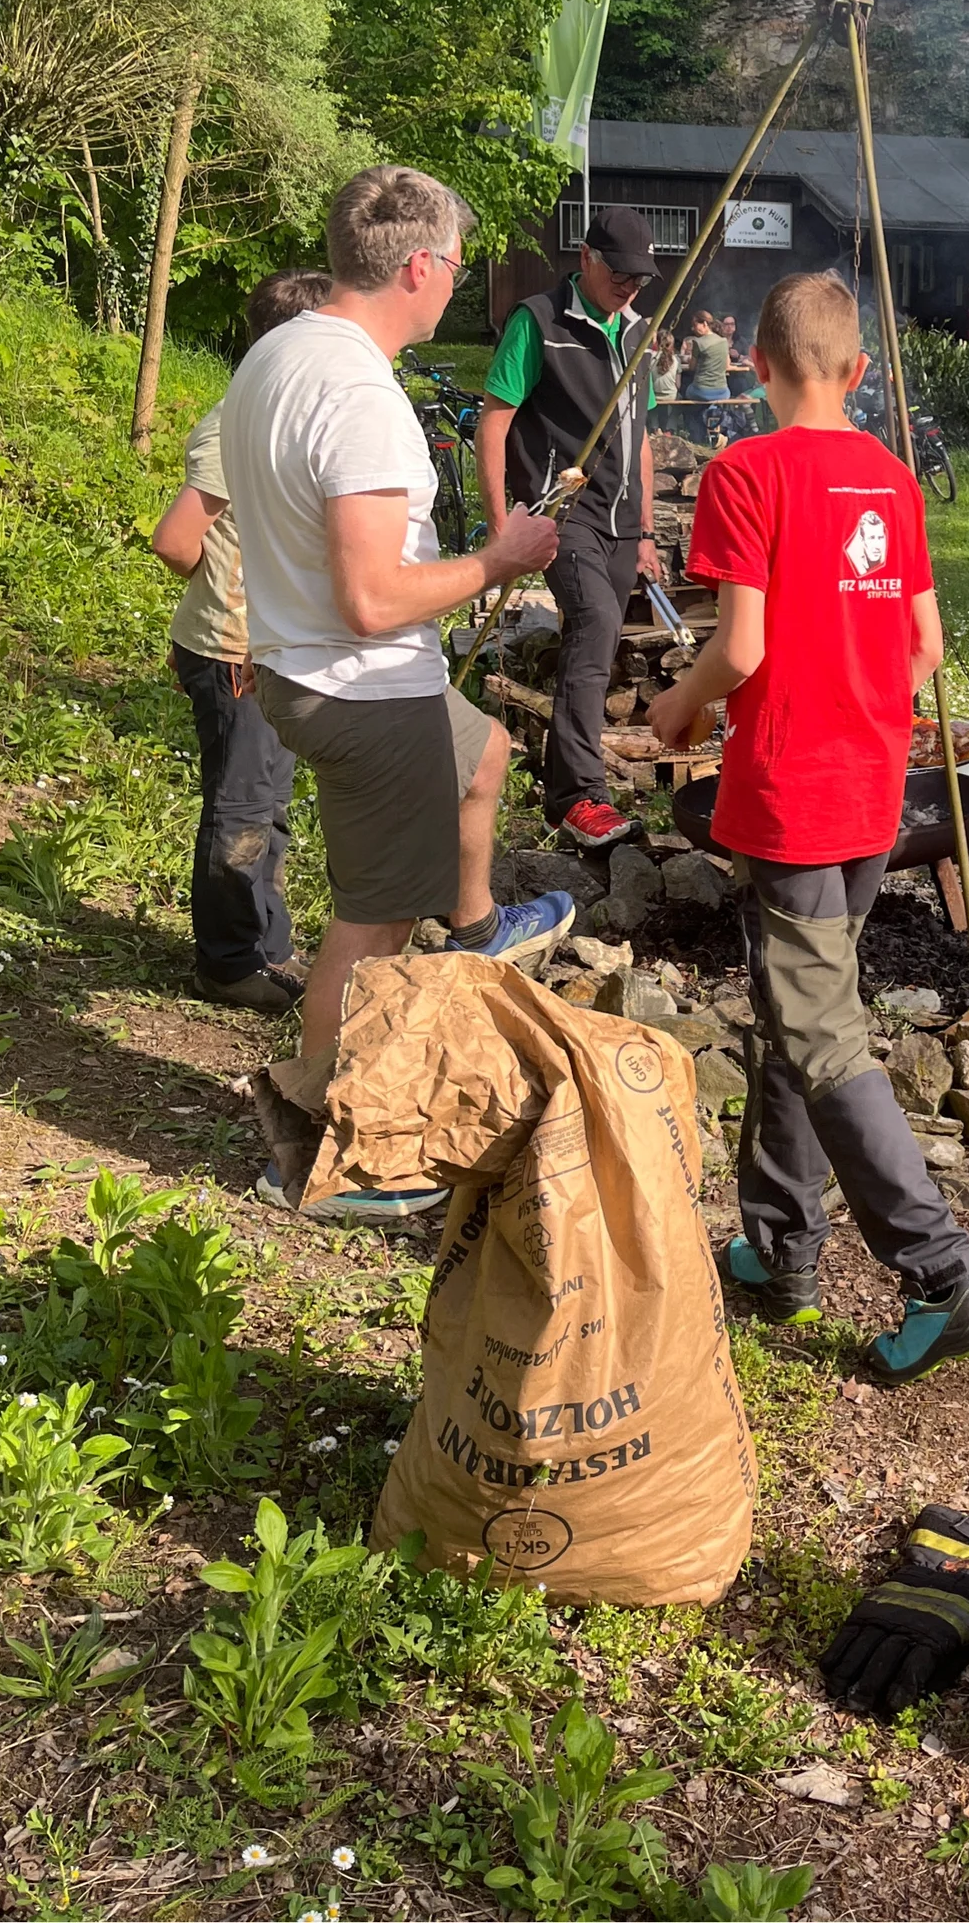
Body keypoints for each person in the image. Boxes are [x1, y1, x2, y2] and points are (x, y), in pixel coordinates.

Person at [648, 270, 969, 1387]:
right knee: (793, 1010)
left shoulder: (744, 469)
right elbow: (924, 650)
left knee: (818, 1033)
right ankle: (778, 1244)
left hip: (795, 795)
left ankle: (942, 1275)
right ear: (859, 373)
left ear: (755, 366)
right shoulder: (893, 479)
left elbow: (742, 647)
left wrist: (681, 704)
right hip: (871, 790)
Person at [222, 165, 573, 1218]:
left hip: (304, 666)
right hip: (364, 690)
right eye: (456, 268)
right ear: (419, 266)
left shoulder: (277, 353)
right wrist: (501, 557)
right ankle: (324, 1152)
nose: (458, 287)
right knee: (370, 931)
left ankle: (476, 926)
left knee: (485, 756)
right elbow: (374, 598)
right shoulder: (362, 395)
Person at [152, 269, 333, 1015]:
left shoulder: (277, 417)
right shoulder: (236, 424)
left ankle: (269, 942)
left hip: (266, 651)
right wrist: (222, 596)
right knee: (240, 811)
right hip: (233, 653)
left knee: (270, 802)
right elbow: (175, 540)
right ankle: (225, 964)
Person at [474, 207, 664, 852]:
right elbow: (495, 421)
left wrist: (645, 531)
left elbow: (640, 436)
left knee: (599, 641)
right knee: (597, 625)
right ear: (586, 257)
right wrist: (504, 527)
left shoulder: (640, 332)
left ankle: (567, 766)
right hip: (563, 512)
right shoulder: (540, 321)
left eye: (641, 277)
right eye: (620, 273)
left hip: (620, 519)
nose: (631, 286)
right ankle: (579, 796)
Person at [683, 309, 732, 403]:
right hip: (722, 391)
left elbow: (692, 367)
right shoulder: (724, 341)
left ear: (704, 324)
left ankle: (690, 416)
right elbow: (727, 365)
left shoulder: (698, 342)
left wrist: (689, 359)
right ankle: (712, 411)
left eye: (695, 325)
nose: (693, 328)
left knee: (685, 388)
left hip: (701, 391)